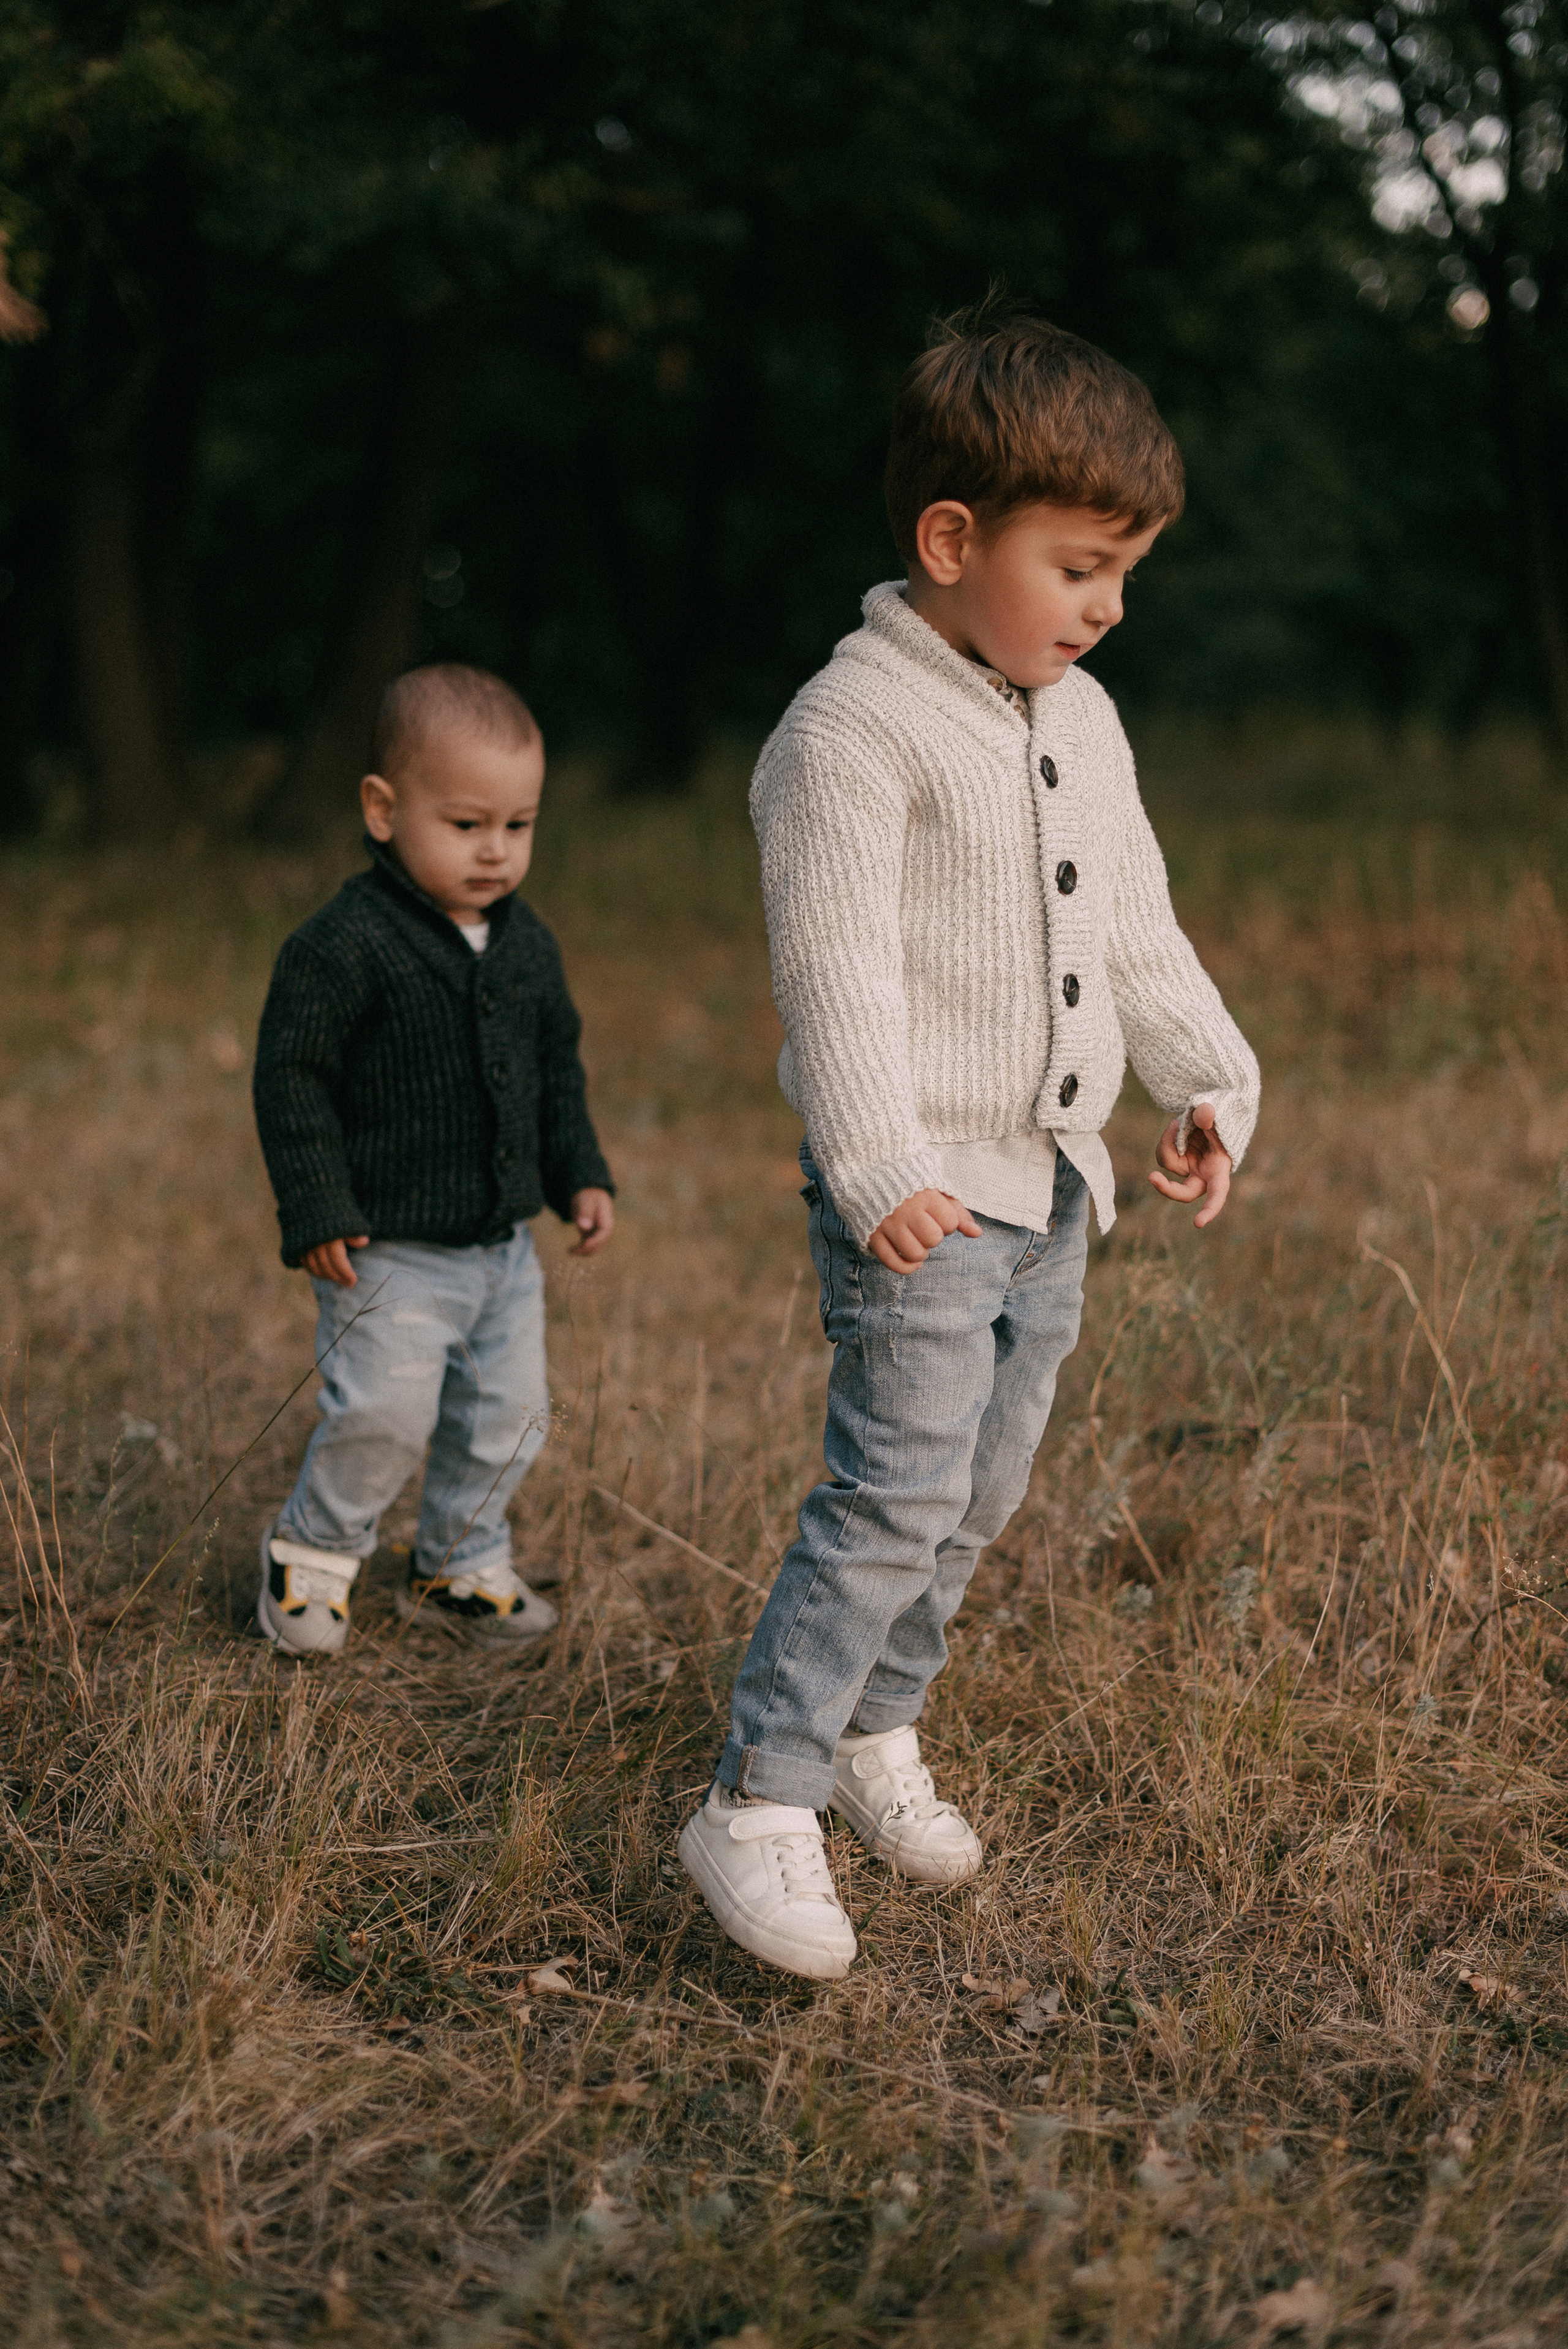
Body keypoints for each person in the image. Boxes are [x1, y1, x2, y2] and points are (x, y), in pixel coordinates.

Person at [677, 304, 1261, 1979]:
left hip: (1054, 1187)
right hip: (921, 1194)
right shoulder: (848, 733)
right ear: (953, 538)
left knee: (984, 1488)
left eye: (1125, 572)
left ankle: (875, 1729)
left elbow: (1137, 924)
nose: (1109, 606)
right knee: (897, 1481)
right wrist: (874, 1167)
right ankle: (759, 1793)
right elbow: (836, 971)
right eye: (1080, 566)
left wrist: (1209, 1081)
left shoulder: (1078, 719)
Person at [251, 663, 614, 1659]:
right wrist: (318, 1205)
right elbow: (293, 1083)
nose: (497, 851)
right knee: (384, 1410)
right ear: (383, 809)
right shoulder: (344, 945)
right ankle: (314, 1554)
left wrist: (577, 1169)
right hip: (388, 1247)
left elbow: (554, 1069)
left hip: (501, 1251)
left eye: (519, 825)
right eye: (466, 825)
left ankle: (458, 1558)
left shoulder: (526, 945)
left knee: (511, 1413)